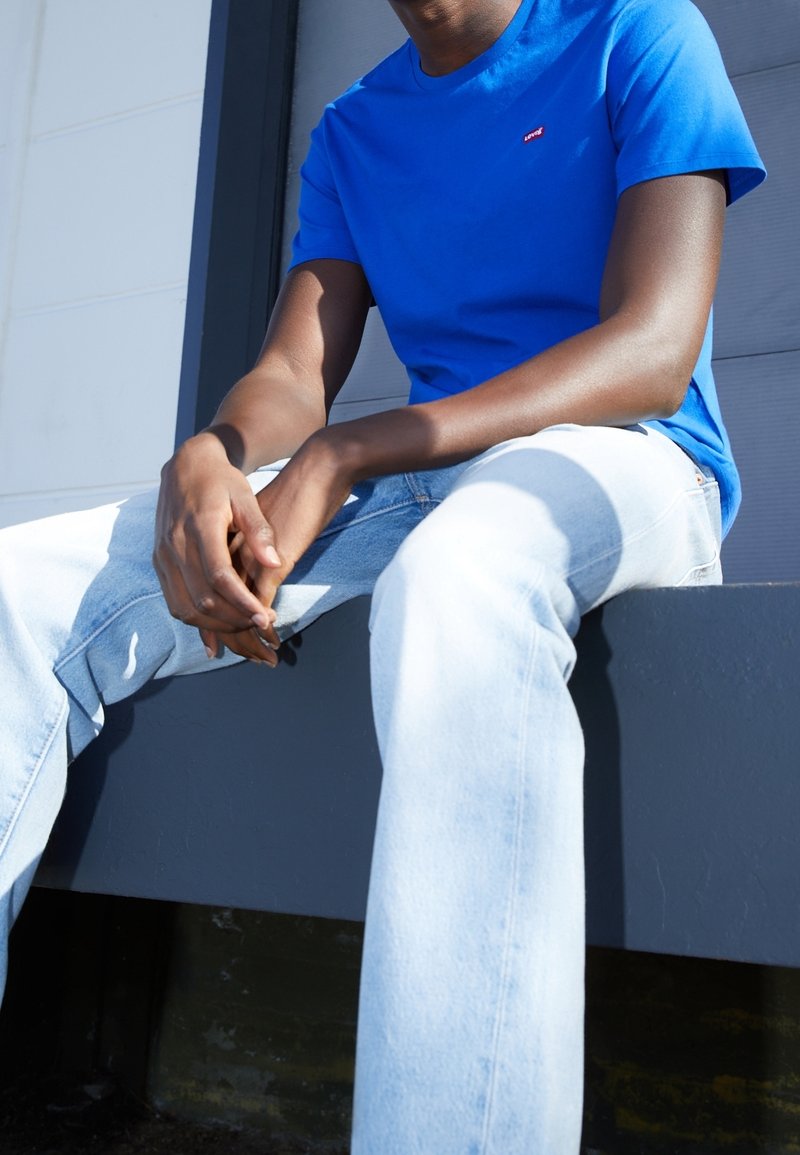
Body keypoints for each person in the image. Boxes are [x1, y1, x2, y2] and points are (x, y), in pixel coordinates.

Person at [0, 0, 764, 1150]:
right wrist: (210, 456)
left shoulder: (636, 29)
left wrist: (351, 449)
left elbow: (653, 352)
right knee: (17, 586)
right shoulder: (356, 126)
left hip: (632, 464)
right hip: (425, 484)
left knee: (460, 573)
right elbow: (293, 371)